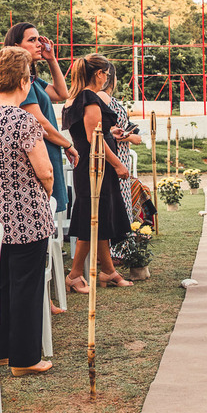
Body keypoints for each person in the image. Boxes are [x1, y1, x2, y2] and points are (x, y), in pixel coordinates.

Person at [0, 47, 55, 376]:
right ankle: (26, 357)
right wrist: (43, 195)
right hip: (25, 217)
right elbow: (44, 171)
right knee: (27, 287)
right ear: (23, 80)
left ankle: (2, 350)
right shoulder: (23, 120)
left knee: (1, 284)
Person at [62, 55, 133, 292]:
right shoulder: (89, 97)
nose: (107, 79)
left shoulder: (72, 99)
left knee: (98, 217)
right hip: (96, 167)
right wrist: (117, 164)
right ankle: (74, 274)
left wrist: (110, 130)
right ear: (99, 74)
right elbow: (95, 138)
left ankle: (109, 271)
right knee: (90, 219)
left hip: (88, 165)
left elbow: (87, 132)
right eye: (106, 74)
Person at [6, 23, 79, 220]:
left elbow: (62, 93)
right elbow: (40, 122)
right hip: (37, 156)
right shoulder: (22, 82)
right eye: (32, 40)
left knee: (48, 213)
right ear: (16, 46)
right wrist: (67, 144)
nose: (39, 44)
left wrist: (52, 60)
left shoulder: (33, 80)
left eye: (39, 39)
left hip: (48, 152)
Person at [102, 64, 144, 259]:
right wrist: (129, 136)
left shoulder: (109, 99)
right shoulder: (104, 99)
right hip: (115, 156)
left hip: (121, 155)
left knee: (122, 202)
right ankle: (116, 251)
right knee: (118, 203)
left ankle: (118, 250)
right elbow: (105, 131)